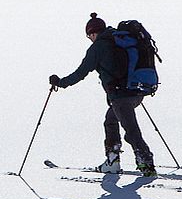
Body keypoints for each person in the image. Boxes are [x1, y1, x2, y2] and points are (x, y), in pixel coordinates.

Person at [49, 13, 157, 177]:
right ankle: (113, 160)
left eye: (89, 36)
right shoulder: (118, 39)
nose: (90, 39)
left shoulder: (98, 47)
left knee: (131, 130)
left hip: (121, 96)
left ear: (92, 33)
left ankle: (146, 164)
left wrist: (60, 83)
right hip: (136, 91)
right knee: (111, 120)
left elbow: (80, 73)